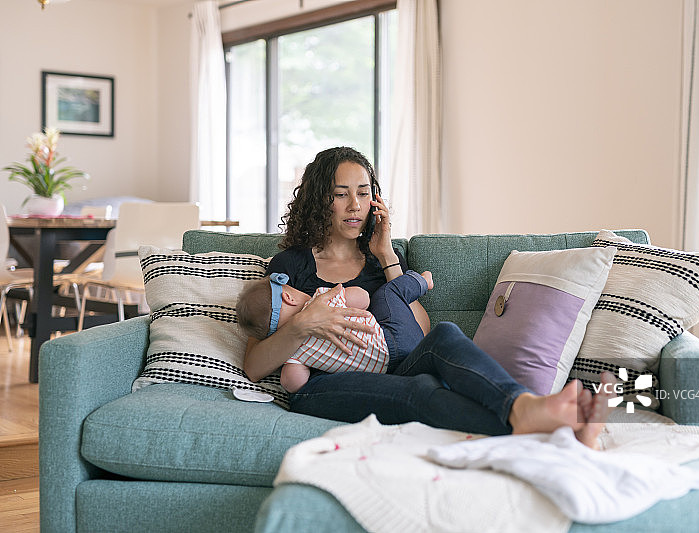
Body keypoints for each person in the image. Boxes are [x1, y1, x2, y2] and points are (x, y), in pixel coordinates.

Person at [243, 146, 614, 447]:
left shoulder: (381, 258)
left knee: (446, 335)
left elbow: (417, 331)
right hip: (322, 385)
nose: (355, 205)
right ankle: (552, 433)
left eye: (363, 193)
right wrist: (303, 325)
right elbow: (254, 365)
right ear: (320, 202)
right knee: (422, 389)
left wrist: (388, 256)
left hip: (392, 361)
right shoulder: (291, 264)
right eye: (341, 195)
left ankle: (526, 406)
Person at [236, 268, 434, 393]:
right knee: (387, 292)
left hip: (380, 372)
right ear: (289, 297)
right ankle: (423, 281)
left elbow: (292, 383)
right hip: (396, 339)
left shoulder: (293, 353)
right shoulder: (323, 297)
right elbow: (363, 298)